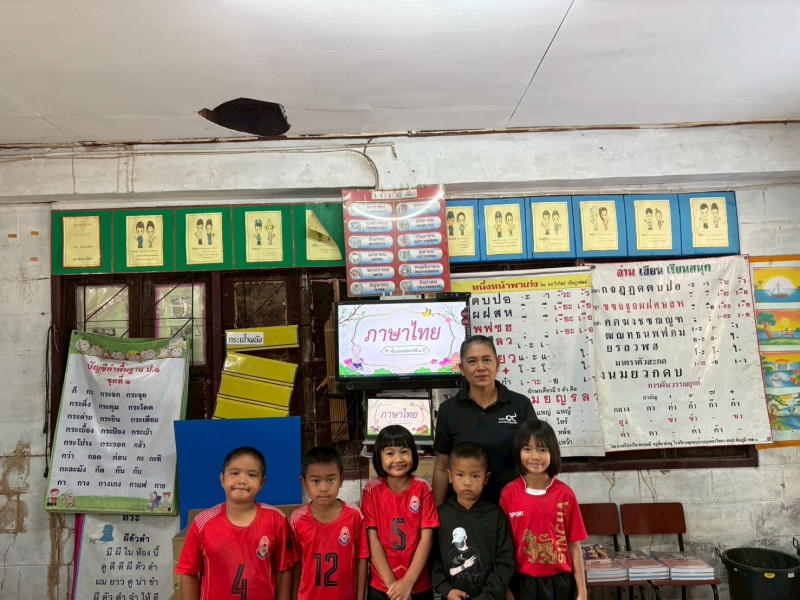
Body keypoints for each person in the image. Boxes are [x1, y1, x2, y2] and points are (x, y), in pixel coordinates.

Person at [176, 446, 293, 600]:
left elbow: (283, 569)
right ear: (222, 479)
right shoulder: (202, 522)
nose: (242, 480)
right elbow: (188, 573)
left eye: (252, 475)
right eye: (235, 473)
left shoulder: (276, 520)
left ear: (262, 483)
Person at [433, 335, 537, 505]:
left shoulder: (520, 405)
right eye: (472, 361)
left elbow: (533, 461)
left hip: (512, 506)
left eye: (487, 360)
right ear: (462, 369)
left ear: (497, 365)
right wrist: (437, 513)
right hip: (464, 508)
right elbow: (441, 468)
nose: (481, 367)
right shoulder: (448, 410)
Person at [500, 420, 587, 600]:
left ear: (552, 452)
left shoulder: (565, 494)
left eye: (542, 449)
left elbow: (574, 545)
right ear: (518, 451)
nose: (535, 456)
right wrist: (506, 589)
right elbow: (502, 547)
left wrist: (582, 591)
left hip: (560, 583)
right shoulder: (509, 493)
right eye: (527, 449)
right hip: (522, 583)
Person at [361, 425, 439, 600]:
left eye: (404, 452)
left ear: (413, 454)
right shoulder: (371, 490)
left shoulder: (423, 488)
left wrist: (407, 583)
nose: (398, 459)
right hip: (382, 586)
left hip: (418, 584)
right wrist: (393, 586)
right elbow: (372, 539)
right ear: (378, 457)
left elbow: (427, 538)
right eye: (390, 453)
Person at [431, 443, 514, 600]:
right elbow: (432, 559)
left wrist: (488, 596)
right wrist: (446, 590)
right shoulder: (441, 515)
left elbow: (505, 562)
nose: (467, 482)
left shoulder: (495, 515)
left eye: (475, 476)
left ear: (486, 478)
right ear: (450, 476)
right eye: (460, 475)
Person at [290, 446, 369, 600]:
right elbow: (296, 566)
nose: (324, 488)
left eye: (331, 480)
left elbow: (362, 559)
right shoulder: (297, 519)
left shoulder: (354, 516)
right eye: (315, 481)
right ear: (303, 482)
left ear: (341, 480)